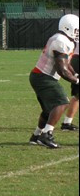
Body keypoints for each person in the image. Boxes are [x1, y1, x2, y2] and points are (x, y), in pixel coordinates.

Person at [28, 14, 79, 149]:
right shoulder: (61, 41)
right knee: (61, 102)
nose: (77, 33)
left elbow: (67, 64)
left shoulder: (62, 39)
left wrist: (76, 75)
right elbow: (61, 70)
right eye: (76, 30)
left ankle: (36, 136)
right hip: (43, 77)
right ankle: (46, 134)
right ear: (68, 28)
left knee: (48, 110)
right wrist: (76, 81)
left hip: (40, 76)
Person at [60, 41, 79, 132]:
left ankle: (67, 123)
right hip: (77, 58)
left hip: (75, 58)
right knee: (77, 95)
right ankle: (67, 123)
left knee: (77, 96)